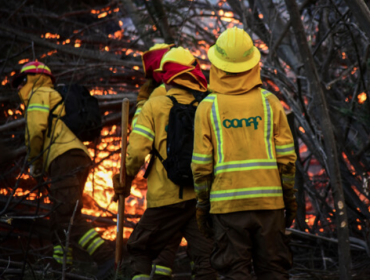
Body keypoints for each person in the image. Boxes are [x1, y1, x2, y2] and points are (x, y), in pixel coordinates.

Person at [191, 27, 297, 279]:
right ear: (253, 65)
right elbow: (287, 160)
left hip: (227, 207)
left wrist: (202, 204)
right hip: (269, 205)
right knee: (273, 270)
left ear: (217, 65)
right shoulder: (269, 102)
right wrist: (289, 198)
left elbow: (201, 166)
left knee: (235, 272)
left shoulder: (208, 107)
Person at [115, 47, 217, 280]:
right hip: (199, 198)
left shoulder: (154, 104)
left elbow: (137, 152)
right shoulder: (206, 104)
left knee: (139, 250)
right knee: (206, 258)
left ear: (167, 77)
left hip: (164, 198)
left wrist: (125, 179)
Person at [12, 61, 114, 279]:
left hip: (63, 158)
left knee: (68, 215)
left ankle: (106, 257)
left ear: (32, 78)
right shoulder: (52, 95)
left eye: (21, 81)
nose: (18, 88)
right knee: (58, 218)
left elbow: (35, 131)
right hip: (74, 157)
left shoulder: (39, 94)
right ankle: (61, 268)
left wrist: (35, 165)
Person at [116, 43, 183, 279]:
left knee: (139, 247)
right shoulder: (202, 95)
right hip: (199, 189)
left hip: (165, 187)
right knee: (202, 256)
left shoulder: (154, 99)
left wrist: (141, 105)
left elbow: (139, 141)